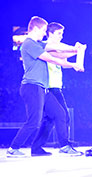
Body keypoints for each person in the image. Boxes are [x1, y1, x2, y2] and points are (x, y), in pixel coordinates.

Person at [6, 16, 83, 157]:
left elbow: (55, 47)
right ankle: (13, 148)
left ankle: (65, 146)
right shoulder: (29, 44)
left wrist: (75, 49)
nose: (44, 33)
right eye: (43, 30)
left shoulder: (38, 44)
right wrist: (72, 64)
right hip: (31, 87)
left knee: (59, 113)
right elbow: (51, 58)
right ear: (35, 28)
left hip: (42, 89)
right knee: (34, 121)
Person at [31, 22, 87, 156]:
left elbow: (62, 56)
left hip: (55, 87)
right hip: (49, 88)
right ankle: (64, 145)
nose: (61, 36)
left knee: (49, 119)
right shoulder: (45, 46)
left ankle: (37, 148)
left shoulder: (56, 48)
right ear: (50, 34)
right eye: (59, 33)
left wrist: (75, 57)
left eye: (62, 33)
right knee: (63, 116)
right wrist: (76, 49)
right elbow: (59, 54)